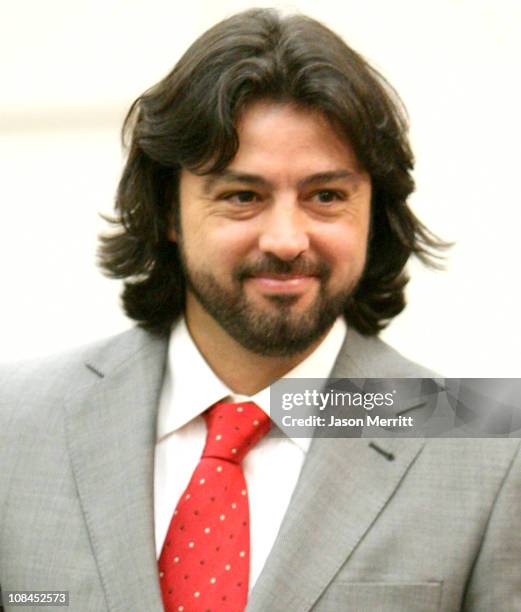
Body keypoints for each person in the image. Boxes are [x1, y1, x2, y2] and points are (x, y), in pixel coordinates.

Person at [1, 8, 520, 612]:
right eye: (242, 196)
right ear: (169, 210)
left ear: (374, 213)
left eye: (326, 196)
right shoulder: (17, 424)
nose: (285, 239)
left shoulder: (490, 440)